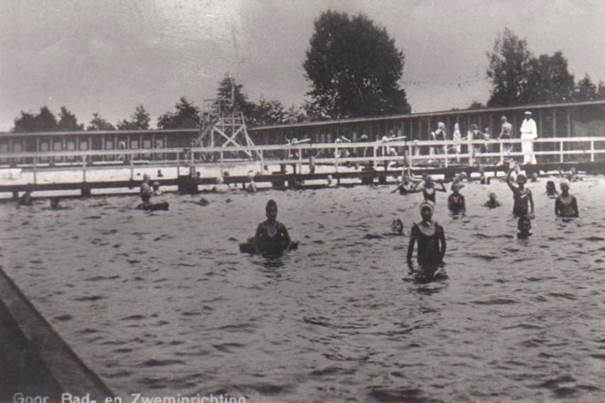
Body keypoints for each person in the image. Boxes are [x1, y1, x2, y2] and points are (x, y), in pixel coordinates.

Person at [407, 202, 446, 271]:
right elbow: (410, 247)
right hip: (422, 262)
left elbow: (443, 245)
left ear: (432, 212)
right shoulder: (416, 228)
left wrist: (440, 258)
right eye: (424, 210)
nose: (426, 213)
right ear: (421, 213)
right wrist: (410, 265)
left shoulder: (438, 227)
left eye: (428, 210)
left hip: (435, 261)